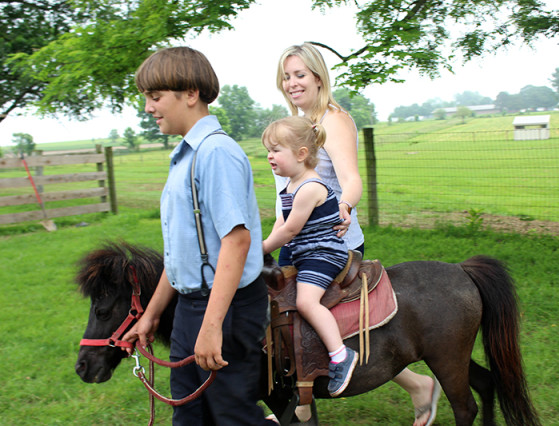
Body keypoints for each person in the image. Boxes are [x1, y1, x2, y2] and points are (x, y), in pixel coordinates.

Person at [274, 42, 441, 426]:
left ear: (318, 77)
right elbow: (284, 197)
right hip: (296, 240)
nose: (292, 83)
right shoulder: (292, 126)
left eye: (300, 74)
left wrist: (344, 207)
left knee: (310, 311)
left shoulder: (332, 121)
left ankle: (301, 405)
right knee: (283, 317)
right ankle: (414, 386)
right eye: (286, 76)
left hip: (333, 238)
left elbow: (351, 180)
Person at [122, 46, 276, 425]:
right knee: (187, 413)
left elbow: (236, 242)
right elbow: (179, 256)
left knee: (230, 415)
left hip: (227, 308)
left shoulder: (216, 153)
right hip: (192, 308)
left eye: (155, 97)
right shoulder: (185, 156)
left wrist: (211, 327)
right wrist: (152, 315)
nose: (148, 108)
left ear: (190, 94)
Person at [262, 116, 359, 397]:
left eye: (276, 150)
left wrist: (261, 248)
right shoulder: (290, 185)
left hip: (323, 253)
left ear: (302, 154)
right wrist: (264, 243)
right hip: (303, 252)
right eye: (268, 150)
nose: (270, 156)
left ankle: (340, 354)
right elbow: (281, 221)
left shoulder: (310, 188)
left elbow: (291, 230)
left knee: (306, 301)